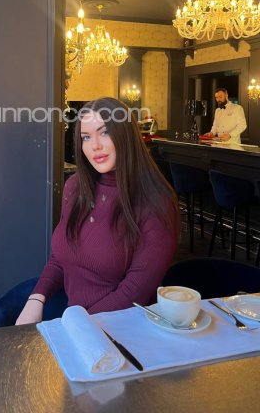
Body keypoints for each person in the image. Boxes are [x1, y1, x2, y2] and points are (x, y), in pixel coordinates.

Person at [16, 97, 180, 325]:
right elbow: (60, 256)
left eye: (104, 132)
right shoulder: (75, 187)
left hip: (125, 329)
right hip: (77, 322)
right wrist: (36, 298)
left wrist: (75, 327)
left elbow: (134, 291)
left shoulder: (156, 202)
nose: (95, 146)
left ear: (126, 134)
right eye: (86, 137)